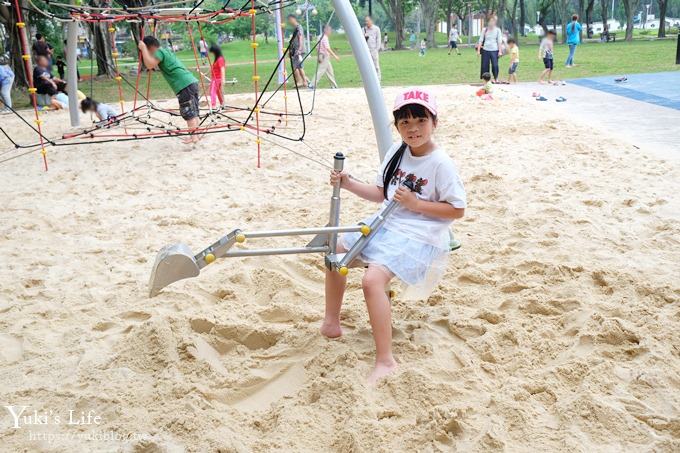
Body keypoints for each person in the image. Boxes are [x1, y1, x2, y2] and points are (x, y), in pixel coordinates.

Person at [323, 88, 466, 384]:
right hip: (385, 224)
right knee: (334, 249)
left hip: (419, 235)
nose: (412, 129)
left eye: (420, 121)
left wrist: (417, 204)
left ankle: (385, 360)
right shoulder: (397, 152)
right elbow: (380, 194)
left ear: (434, 122)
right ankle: (331, 322)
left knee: (371, 280)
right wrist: (348, 183)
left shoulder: (441, 163)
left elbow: (457, 210)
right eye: (405, 123)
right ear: (397, 125)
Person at [138, 36, 201, 143]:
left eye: (148, 51)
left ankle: (194, 137)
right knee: (194, 111)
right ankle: (197, 134)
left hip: (184, 85)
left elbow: (149, 65)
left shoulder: (159, 52)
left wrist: (143, 49)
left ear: (150, 47)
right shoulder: (165, 51)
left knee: (188, 112)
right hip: (191, 82)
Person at [287, 14, 312, 89]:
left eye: (290, 19)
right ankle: (305, 81)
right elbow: (293, 41)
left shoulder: (298, 27)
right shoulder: (295, 28)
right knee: (297, 66)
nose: (289, 21)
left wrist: (300, 49)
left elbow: (300, 38)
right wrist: (290, 50)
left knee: (298, 66)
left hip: (299, 50)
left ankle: (303, 82)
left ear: (293, 19)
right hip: (295, 50)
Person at [476, 16, 503, 83]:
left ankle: (496, 78)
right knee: (485, 65)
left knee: (495, 65)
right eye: (491, 21)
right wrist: (478, 50)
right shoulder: (484, 30)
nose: (492, 22)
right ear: (488, 22)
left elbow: (499, 41)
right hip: (485, 50)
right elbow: (480, 40)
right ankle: (486, 80)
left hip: (494, 50)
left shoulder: (497, 30)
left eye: (494, 21)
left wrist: (500, 51)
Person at [313, 25, 340, 89]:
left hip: (321, 55)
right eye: (329, 30)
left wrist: (318, 56)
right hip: (324, 56)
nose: (330, 31)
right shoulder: (324, 37)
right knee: (321, 71)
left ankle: (334, 85)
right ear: (325, 30)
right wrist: (335, 56)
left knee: (330, 71)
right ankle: (312, 84)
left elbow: (317, 48)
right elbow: (327, 48)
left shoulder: (319, 37)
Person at [363, 16, 381, 81]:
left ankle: (378, 79)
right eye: (365, 21)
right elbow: (361, 41)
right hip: (366, 51)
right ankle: (369, 79)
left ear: (371, 21)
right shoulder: (363, 29)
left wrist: (377, 49)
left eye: (367, 21)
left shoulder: (376, 29)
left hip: (374, 50)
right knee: (367, 66)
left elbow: (378, 39)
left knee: (376, 65)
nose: (366, 22)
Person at [208, 44, 226, 108]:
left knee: (212, 91)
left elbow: (222, 69)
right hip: (215, 78)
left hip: (217, 79)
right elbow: (213, 68)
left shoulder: (220, 59)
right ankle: (222, 103)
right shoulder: (217, 59)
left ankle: (213, 106)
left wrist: (223, 79)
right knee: (218, 92)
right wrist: (206, 73)